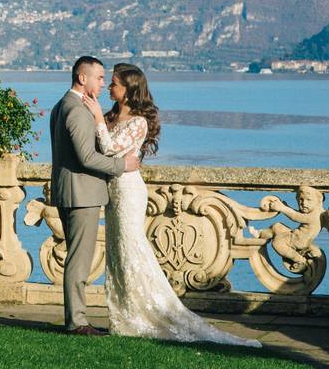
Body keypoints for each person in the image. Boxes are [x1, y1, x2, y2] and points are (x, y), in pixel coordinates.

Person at [82, 63, 262, 347]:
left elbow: (109, 149)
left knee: (132, 250)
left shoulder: (138, 121)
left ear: (128, 90)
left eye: (114, 83)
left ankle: (151, 313)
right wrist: (98, 119)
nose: (109, 87)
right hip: (112, 192)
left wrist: (96, 119)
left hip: (128, 192)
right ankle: (124, 316)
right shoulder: (112, 115)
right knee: (117, 253)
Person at [50, 56, 139, 335]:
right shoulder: (76, 109)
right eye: (99, 78)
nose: (103, 84)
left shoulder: (60, 106)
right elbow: (87, 157)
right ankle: (77, 322)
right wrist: (121, 165)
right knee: (79, 260)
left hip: (72, 190)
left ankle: (76, 318)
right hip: (82, 194)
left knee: (77, 258)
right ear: (82, 78)